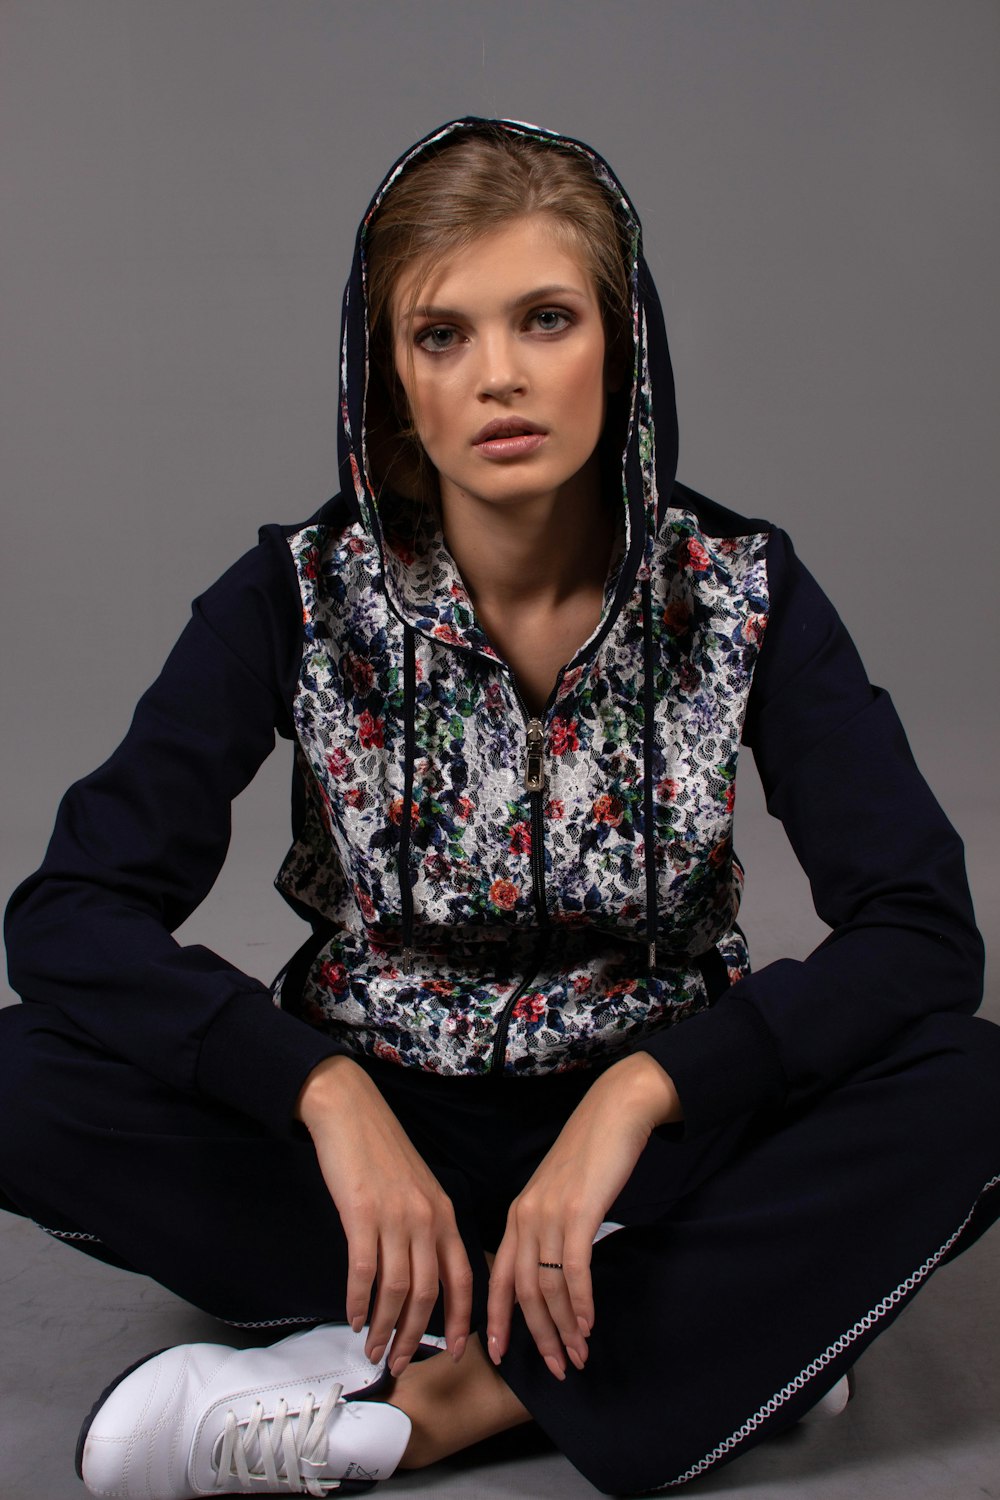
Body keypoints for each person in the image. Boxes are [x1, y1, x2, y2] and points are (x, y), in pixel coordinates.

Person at [3, 116, 999, 1498]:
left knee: (971, 1086)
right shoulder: (296, 599)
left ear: (623, 342)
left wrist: (646, 1093)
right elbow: (66, 917)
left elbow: (924, 932)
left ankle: (430, 1401)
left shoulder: (738, 591)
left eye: (545, 318)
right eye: (441, 336)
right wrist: (326, 1093)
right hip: (369, 1171)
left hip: (652, 1157)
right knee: (17, 1078)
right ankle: (714, 1325)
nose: (500, 379)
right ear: (387, 378)